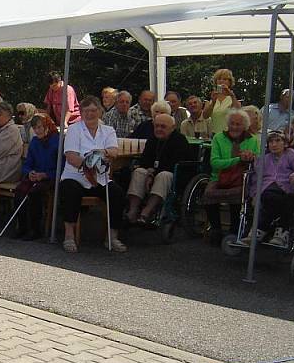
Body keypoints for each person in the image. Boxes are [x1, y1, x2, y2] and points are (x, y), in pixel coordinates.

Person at [59, 96, 127, 253]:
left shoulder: (108, 130)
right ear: (81, 113)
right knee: (70, 191)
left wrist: (104, 152)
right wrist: (88, 164)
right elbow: (71, 156)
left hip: (100, 177)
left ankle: (112, 237)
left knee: (117, 194)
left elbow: (114, 152)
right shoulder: (75, 129)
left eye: (94, 110)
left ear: (100, 112)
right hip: (76, 175)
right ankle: (69, 235)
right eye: (86, 111)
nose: (90, 114)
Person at [200, 109, 259, 245]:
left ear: (245, 126)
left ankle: (234, 230)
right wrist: (238, 159)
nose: (234, 127)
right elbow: (214, 163)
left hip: (241, 178)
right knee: (208, 193)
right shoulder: (218, 138)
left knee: (239, 194)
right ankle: (216, 228)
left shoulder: (253, 140)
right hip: (219, 176)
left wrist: (251, 158)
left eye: (238, 124)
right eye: (232, 123)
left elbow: (259, 162)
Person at [241, 130, 294, 248]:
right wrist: (254, 194)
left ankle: (260, 229)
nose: (273, 144)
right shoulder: (264, 158)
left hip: (286, 189)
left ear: (285, 143)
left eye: (277, 141)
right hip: (267, 191)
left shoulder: (290, 154)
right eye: (270, 142)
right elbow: (256, 177)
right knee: (277, 198)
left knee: (287, 199)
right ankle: (281, 231)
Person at [126, 114, 190, 224]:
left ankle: (147, 211)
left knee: (163, 175)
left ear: (172, 127)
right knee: (139, 171)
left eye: (163, 126)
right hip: (153, 172)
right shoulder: (152, 140)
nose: (159, 129)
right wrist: (149, 171)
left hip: (172, 175)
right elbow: (145, 160)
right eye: (157, 126)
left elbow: (173, 164)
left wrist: (152, 173)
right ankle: (133, 210)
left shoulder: (180, 140)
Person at [11, 111, 59, 240]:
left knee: (34, 193)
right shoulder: (35, 142)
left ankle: (35, 229)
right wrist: (29, 172)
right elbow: (27, 163)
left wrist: (45, 175)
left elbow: (62, 167)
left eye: (40, 127)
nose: (38, 131)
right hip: (35, 175)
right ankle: (22, 227)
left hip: (51, 177)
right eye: (35, 128)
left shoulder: (58, 141)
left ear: (47, 125)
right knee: (20, 191)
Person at [202, 68, 241, 136]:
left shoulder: (233, 97)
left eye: (225, 79)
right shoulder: (211, 97)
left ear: (229, 82)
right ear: (216, 81)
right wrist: (213, 102)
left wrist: (232, 95)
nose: (221, 81)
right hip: (215, 135)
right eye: (219, 79)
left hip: (230, 135)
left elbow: (237, 112)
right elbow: (205, 116)